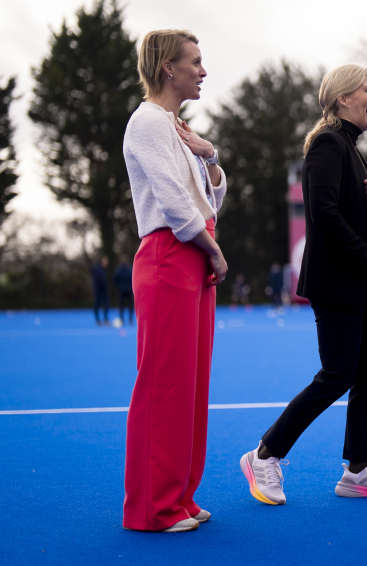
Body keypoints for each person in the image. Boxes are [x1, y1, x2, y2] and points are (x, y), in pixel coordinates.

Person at [239, 65, 367, 503]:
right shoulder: (327, 144)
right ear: (343, 98)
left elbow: (357, 214)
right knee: (338, 373)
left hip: (362, 283)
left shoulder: (352, 149)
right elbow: (324, 215)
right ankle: (265, 454)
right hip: (338, 281)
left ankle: (357, 469)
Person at [122, 29, 228, 533]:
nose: (203, 71)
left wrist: (208, 157)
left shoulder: (173, 126)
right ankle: (151, 508)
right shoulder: (146, 122)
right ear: (168, 67)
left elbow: (208, 201)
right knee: (163, 384)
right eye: (195, 61)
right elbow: (171, 198)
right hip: (170, 255)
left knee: (190, 384)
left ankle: (180, 496)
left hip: (191, 255)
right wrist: (210, 247)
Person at [113, 255, 134, 325]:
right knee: (130, 305)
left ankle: (122, 319)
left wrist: (118, 286)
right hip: (129, 290)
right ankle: (130, 320)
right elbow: (133, 279)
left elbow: (115, 280)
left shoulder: (118, 270)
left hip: (121, 290)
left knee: (121, 305)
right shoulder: (130, 269)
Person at [91, 255, 109, 326]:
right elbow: (101, 281)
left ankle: (102, 319)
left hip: (98, 290)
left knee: (100, 305)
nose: (107, 262)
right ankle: (101, 320)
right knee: (101, 305)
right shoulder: (99, 270)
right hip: (100, 290)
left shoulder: (100, 269)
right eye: (106, 260)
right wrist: (105, 289)